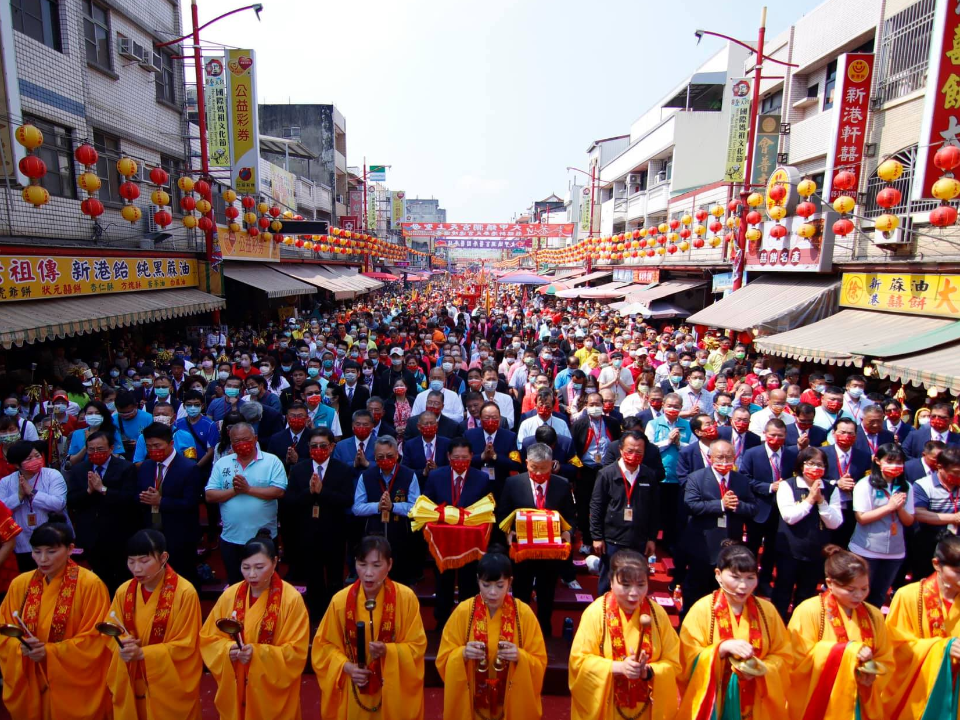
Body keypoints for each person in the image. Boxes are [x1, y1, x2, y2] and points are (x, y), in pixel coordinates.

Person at [0, 514, 112, 720]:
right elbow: (4, 632)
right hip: (31, 677)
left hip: (73, 685)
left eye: (51, 552)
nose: (43, 559)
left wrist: (49, 653)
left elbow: (96, 640)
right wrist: (19, 648)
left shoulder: (90, 585)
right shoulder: (20, 584)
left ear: (70, 549)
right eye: (37, 552)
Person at [313, 536, 427, 720]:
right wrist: (347, 667)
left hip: (391, 690)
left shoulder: (406, 599)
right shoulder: (340, 601)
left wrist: (388, 651)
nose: (368, 573)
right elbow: (323, 646)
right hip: (354, 688)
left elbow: (417, 646)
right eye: (362, 564)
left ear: (389, 565)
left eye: (376, 565)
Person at [199, 533, 310, 720]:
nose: (252, 574)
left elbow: (296, 652)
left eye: (259, 567)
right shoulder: (230, 595)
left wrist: (258, 654)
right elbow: (209, 638)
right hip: (237, 683)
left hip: (271, 694)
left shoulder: (291, 600)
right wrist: (228, 650)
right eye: (246, 567)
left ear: (275, 563)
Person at [678, 542, 792, 718]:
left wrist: (759, 669)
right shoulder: (702, 610)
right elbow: (686, 659)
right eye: (736, 577)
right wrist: (721, 650)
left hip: (756, 703)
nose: (743, 586)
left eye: (750, 578)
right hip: (716, 704)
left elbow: (784, 656)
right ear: (718, 575)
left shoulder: (767, 611)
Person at [436, 548, 547, 720]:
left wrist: (520, 657)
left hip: (510, 703)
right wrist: (462, 654)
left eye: (500, 585)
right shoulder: (464, 611)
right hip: (472, 705)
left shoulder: (523, 614)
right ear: (478, 581)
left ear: (510, 582)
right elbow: (443, 659)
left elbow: (539, 662)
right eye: (486, 585)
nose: (493, 592)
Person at [569, 550, 680, 720]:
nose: (634, 593)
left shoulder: (658, 615)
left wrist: (648, 672)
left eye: (641, 584)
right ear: (611, 582)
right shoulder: (596, 613)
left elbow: (675, 663)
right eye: (626, 585)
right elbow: (578, 662)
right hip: (608, 710)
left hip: (646, 711)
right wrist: (618, 667)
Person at [787, 545, 893, 720]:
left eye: (864, 589)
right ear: (830, 583)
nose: (858, 596)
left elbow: (886, 658)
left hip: (859, 697)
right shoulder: (809, 611)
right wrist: (848, 652)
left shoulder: (874, 615)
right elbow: (796, 662)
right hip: (821, 700)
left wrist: (872, 675)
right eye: (850, 590)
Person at [106, 529, 203, 720]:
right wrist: (123, 645)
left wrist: (143, 654)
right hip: (131, 677)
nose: (137, 569)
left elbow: (187, 645)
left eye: (144, 561)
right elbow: (110, 633)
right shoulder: (124, 591)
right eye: (131, 561)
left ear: (163, 557)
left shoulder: (184, 593)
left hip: (167, 683)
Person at [497, 443, 576, 637]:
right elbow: (502, 514)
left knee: (547, 592)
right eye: (534, 468)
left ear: (552, 464)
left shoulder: (562, 484)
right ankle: (519, 628)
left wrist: (568, 532)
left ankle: (544, 630)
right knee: (521, 592)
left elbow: (571, 516)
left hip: (550, 552)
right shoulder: (513, 484)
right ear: (526, 464)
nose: (539, 473)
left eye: (544, 468)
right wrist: (508, 533)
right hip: (522, 550)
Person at [885, 534, 960, 718]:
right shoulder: (908, 596)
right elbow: (895, 647)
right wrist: (943, 648)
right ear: (936, 564)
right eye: (958, 571)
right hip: (920, 688)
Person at [283, 427, 354, 619]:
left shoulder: (343, 469)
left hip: (334, 532)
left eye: (323, 445)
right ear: (308, 447)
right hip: (307, 532)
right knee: (313, 578)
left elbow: (347, 500)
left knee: (334, 578)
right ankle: (316, 615)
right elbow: (290, 501)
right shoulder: (299, 469)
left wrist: (323, 492)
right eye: (314, 446)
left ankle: (335, 615)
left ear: (331, 447)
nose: (318, 449)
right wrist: (310, 492)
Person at [422, 438, 494, 626]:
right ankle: (442, 622)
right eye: (456, 458)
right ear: (448, 457)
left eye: (464, 457)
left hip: (468, 544)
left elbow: (486, 509)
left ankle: (467, 621)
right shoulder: (436, 476)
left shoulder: (481, 478)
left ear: (472, 456)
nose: (460, 461)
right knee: (443, 584)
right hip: (443, 542)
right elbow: (427, 506)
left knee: (468, 584)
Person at [205, 422, 286, 585]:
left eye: (246, 439)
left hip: (263, 538)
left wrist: (248, 489)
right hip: (231, 538)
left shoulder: (272, 461)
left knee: (267, 584)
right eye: (236, 441)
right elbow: (210, 495)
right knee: (237, 585)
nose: (241, 444)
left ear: (255, 438)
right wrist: (235, 491)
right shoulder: (223, 464)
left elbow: (279, 491)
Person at [681, 440, 757, 606]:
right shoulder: (696, 478)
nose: (724, 462)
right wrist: (721, 504)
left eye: (728, 457)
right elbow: (691, 505)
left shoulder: (741, 481)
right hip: (703, 545)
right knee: (697, 592)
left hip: (730, 544)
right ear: (710, 457)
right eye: (720, 457)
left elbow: (753, 508)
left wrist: (738, 505)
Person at [771, 447, 843, 620]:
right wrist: (810, 499)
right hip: (790, 549)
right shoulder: (788, 485)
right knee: (783, 592)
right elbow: (790, 517)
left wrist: (821, 502)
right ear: (801, 465)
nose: (815, 467)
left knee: (807, 595)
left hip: (816, 551)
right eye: (810, 463)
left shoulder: (831, 489)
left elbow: (835, 522)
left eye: (820, 464)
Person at [66, 430, 138, 593]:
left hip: (119, 534)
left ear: (111, 448)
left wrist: (103, 489)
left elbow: (129, 499)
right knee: (98, 580)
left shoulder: (126, 468)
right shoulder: (79, 470)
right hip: (91, 534)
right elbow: (71, 500)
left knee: (122, 579)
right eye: (91, 449)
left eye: (100, 449)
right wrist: (89, 492)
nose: (95, 453)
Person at [590, 431, 658, 595]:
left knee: (635, 581)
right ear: (620, 450)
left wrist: (651, 538)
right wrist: (597, 537)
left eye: (639, 452)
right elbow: (596, 507)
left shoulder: (649, 475)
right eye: (630, 451)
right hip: (612, 539)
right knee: (608, 581)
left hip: (638, 539)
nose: (634, 455)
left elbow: (655, 510)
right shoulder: (606, 474)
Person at [136, 422, 203, 588]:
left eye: (157, 445)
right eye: (149, 446)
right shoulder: (146, 466)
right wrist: (143, 497)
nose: (153, 450)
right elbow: (137, 494)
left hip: (180, 534)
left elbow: (191, 502)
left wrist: (161, 502)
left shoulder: (188, 468)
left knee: (183, 579)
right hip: (152, 532)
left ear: (171, 443)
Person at [849, 443, 915, 608]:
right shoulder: (865, 484)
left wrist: (899, 508)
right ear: (878, 461)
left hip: (894, 551)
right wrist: (889, 507)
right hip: (866, 549)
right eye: (890, 461)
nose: (895, 466)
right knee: (859, 595)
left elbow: (909, 521)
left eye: (899, 462)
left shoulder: (906, 487)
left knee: (879, 596)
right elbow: (862, 517)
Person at [739, 418, 796, 594]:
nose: (776, 439)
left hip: (781, 510)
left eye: (780, 436)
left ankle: (764, 580)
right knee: (753, 547)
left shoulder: (792, 455)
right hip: (758, 508)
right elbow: (745, 478)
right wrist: (770, 487)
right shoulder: (752, 453)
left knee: (772, 548)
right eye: (772, 435)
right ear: (765, 434)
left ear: (785, 436)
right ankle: (749, 578)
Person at [352, 436, 420, 584]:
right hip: (373, 535)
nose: (385, 459)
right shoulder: (367, 476)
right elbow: (357, 508)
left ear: (397, 455)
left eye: (390, 456)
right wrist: (378, 506)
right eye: (380, 457)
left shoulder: (409, 475)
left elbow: (416, 508)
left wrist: (393, 507)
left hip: (401, 536)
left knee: (399, 582)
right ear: (374, 457)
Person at [0, 440, 67, 571]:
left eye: (37, 455)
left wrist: (32, 492)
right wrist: (19, 497)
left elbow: (59, 503)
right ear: (16, 464)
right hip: (21, 543)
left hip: (52, 539)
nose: (36, 460)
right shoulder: (6, 482)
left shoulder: (52, 475)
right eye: (29, 458)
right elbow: (2, 509)